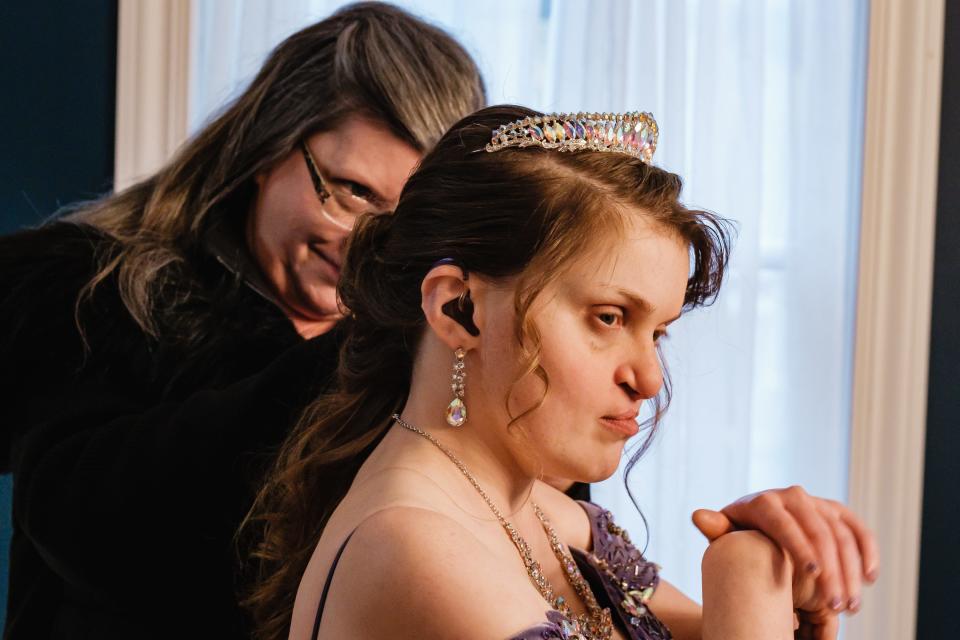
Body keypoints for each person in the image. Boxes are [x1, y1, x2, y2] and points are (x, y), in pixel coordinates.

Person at [245, 105, 878, 640]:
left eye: (656, 332)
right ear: (457, 308)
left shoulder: (550, 517)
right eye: (607, 317)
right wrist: (746, 563)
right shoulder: (414, 548)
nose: (649, 379)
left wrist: (782, 577)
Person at [0, 4, 485, 638]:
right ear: (268, 148)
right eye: (351, 192)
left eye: (407, 220)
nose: (369, 244)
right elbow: (90, 530)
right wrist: (339, 365)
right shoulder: (104, 299)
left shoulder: (443, 354)